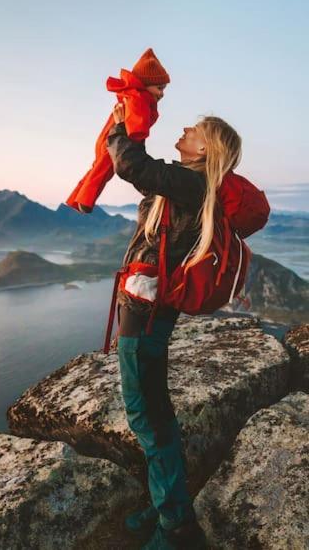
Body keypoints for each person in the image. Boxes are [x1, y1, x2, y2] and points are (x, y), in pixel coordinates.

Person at [106, 78, 242, 550]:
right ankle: (166, 501)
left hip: (144, 320)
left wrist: (120, 125)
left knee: (147, 417)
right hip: (146, 314)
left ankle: (177, 527)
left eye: (195, 130)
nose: (184, 129)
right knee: (156, 413)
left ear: (208, 149)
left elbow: (130, 164)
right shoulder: (190, 187)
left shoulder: (193, 183)